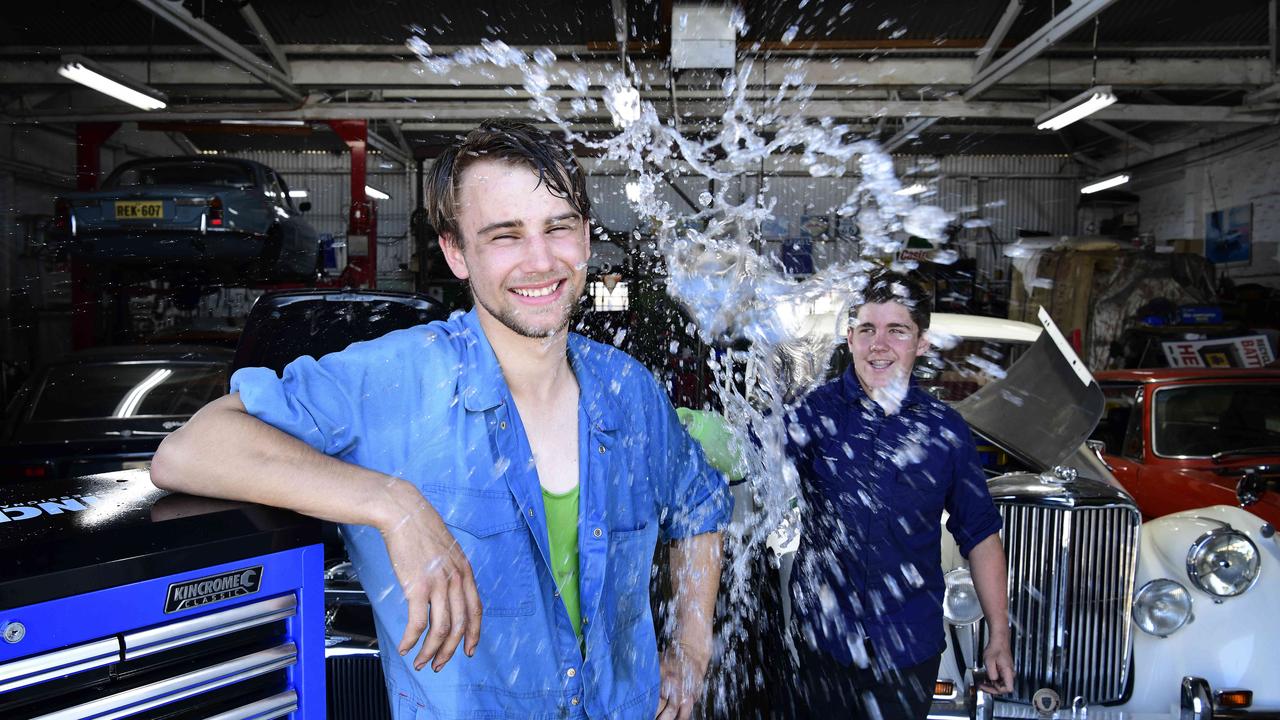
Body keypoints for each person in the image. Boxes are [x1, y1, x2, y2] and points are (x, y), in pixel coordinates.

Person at [151, 120, 732, 720]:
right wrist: (392, 504)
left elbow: (698, 505)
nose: (540, 260)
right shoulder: (395, 379)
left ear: (585, 238)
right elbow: (188, 451)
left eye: (558, 227)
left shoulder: (627, 389)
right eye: (505, 236)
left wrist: (691, 649)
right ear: (457, 253)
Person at [782, 272, 1014, 719]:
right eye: (867, 329)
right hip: (823, 644)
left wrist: (999, 636)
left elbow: (981, 535)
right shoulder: (812, 414)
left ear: (920, 344)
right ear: (849, 338)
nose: (879, 344)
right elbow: (755, 471)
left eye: (897, 330)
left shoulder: (945, 431)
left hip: (909, 648)